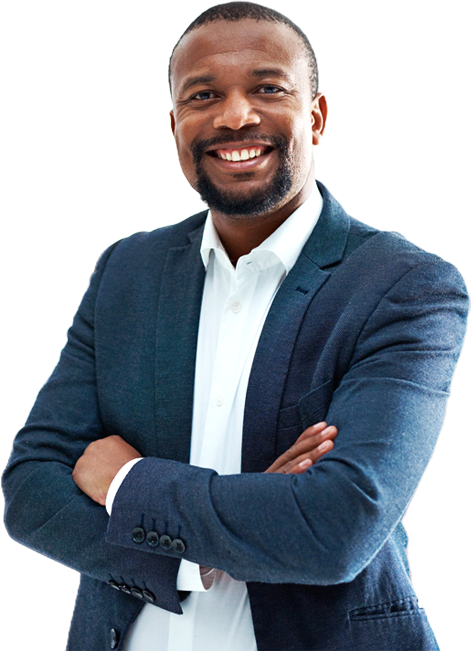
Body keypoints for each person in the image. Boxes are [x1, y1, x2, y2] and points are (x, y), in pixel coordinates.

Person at [3, 3, 469, 651]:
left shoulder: (403, 285)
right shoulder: (127, 271)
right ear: (175, 126)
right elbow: (31, 490)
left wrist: (126, 485)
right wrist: (194, 558)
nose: (233, 116)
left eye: (266, 88)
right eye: (203, 95)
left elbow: (338, 529)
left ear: (316, 116)